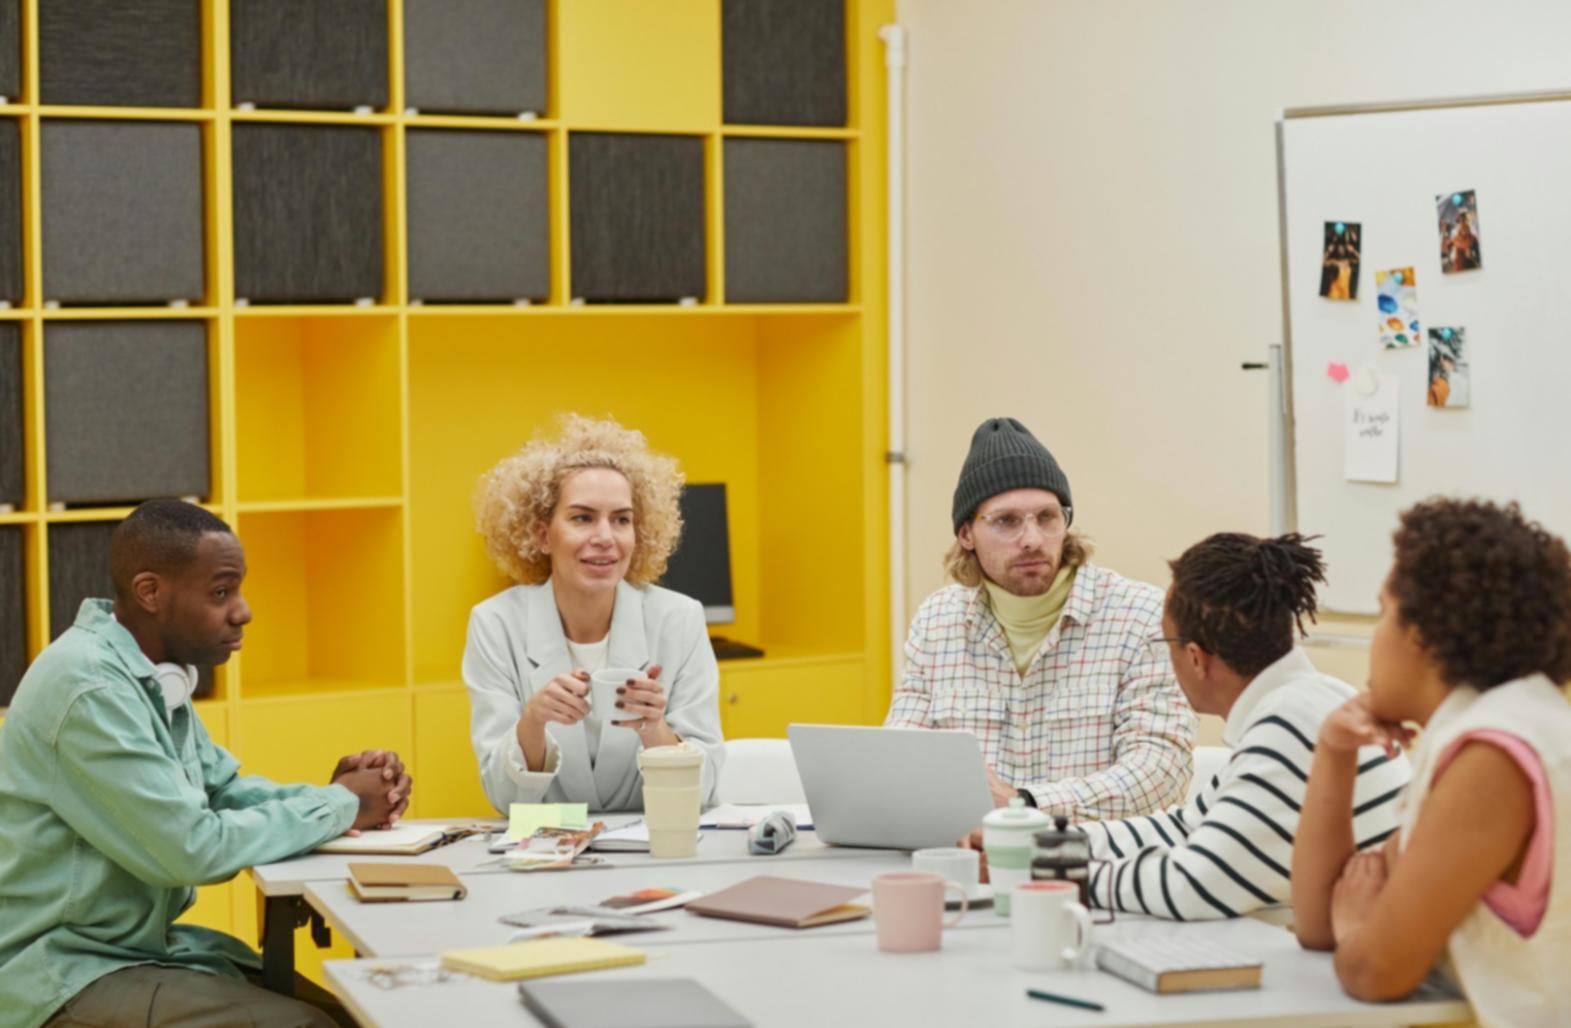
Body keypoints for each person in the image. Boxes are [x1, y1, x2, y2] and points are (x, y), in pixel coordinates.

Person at [0, 499, 411, 1028]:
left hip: (129, 951)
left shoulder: (147, 676)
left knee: (360, 1013)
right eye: (221, 593)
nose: (243, 611)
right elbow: (191, 847)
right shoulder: (91, 689)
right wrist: (341, 805)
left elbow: (220, 791)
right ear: (150, 592)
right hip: (60, 971)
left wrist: (338, 797)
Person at [1292, 499, 1571, 1024]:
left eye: (1383, 613)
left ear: (1422, 632)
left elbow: (1374, 969)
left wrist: (1359, 929)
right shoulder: (1502, 726)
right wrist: (1334, 750)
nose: (1375, 636)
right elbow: (1320, 920)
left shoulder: (1495, 756)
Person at [1078, 533, 1410, 920]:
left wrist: (1058, 874)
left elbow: (1191, 888)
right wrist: (1046, 842)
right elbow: (1186, 828)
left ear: (1195, 658)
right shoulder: (1308, 699)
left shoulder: (1287, 723)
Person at [885, 416, 1194, 820]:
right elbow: (902, 756)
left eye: (1047, 517)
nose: (1032, 539)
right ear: (966, 534)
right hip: (970, 850)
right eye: (1006, 521)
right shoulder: (937, 621)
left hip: (1093, 854)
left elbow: (1161, 773)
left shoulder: (1141, 616)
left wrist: (1024, 804)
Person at [465, 414, 724, 813]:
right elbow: (504, 798)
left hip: (654, 842)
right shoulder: (495, 624)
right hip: (546, 849)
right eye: (582, 518)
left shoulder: (679, 619)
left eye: (621, 520)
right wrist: (533, 721)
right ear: (542, 535)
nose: (605, 537)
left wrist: (654, 729)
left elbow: (703, 790)